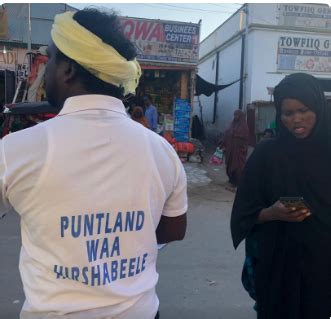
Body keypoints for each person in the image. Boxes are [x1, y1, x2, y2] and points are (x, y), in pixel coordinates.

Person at [0, 8, 187, 319]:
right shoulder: (161, 150)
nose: (46, 71)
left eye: (50, 59)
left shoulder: (18, 150)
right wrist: (127, 235)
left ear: (69, 69)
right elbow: (175, 228)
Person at [231, 73, 331, 319]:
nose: (296, 119)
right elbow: (244, 212)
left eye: (303, 110)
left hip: (323, 268)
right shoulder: (267, 154)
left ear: (318, 108)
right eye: (287, 113)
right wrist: (272, 213)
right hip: (277, 267)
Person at [223, 109, 249, 189]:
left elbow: (245, 139)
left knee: (238, 167)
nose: (235, 117)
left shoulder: (244, 126)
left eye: (237, 115)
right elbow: (227, 133)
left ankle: (238, 182)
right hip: (231, 150)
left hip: (238, 151)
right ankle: (232, 180)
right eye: (234, 115)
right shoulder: (232, 124)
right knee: (230, 165)